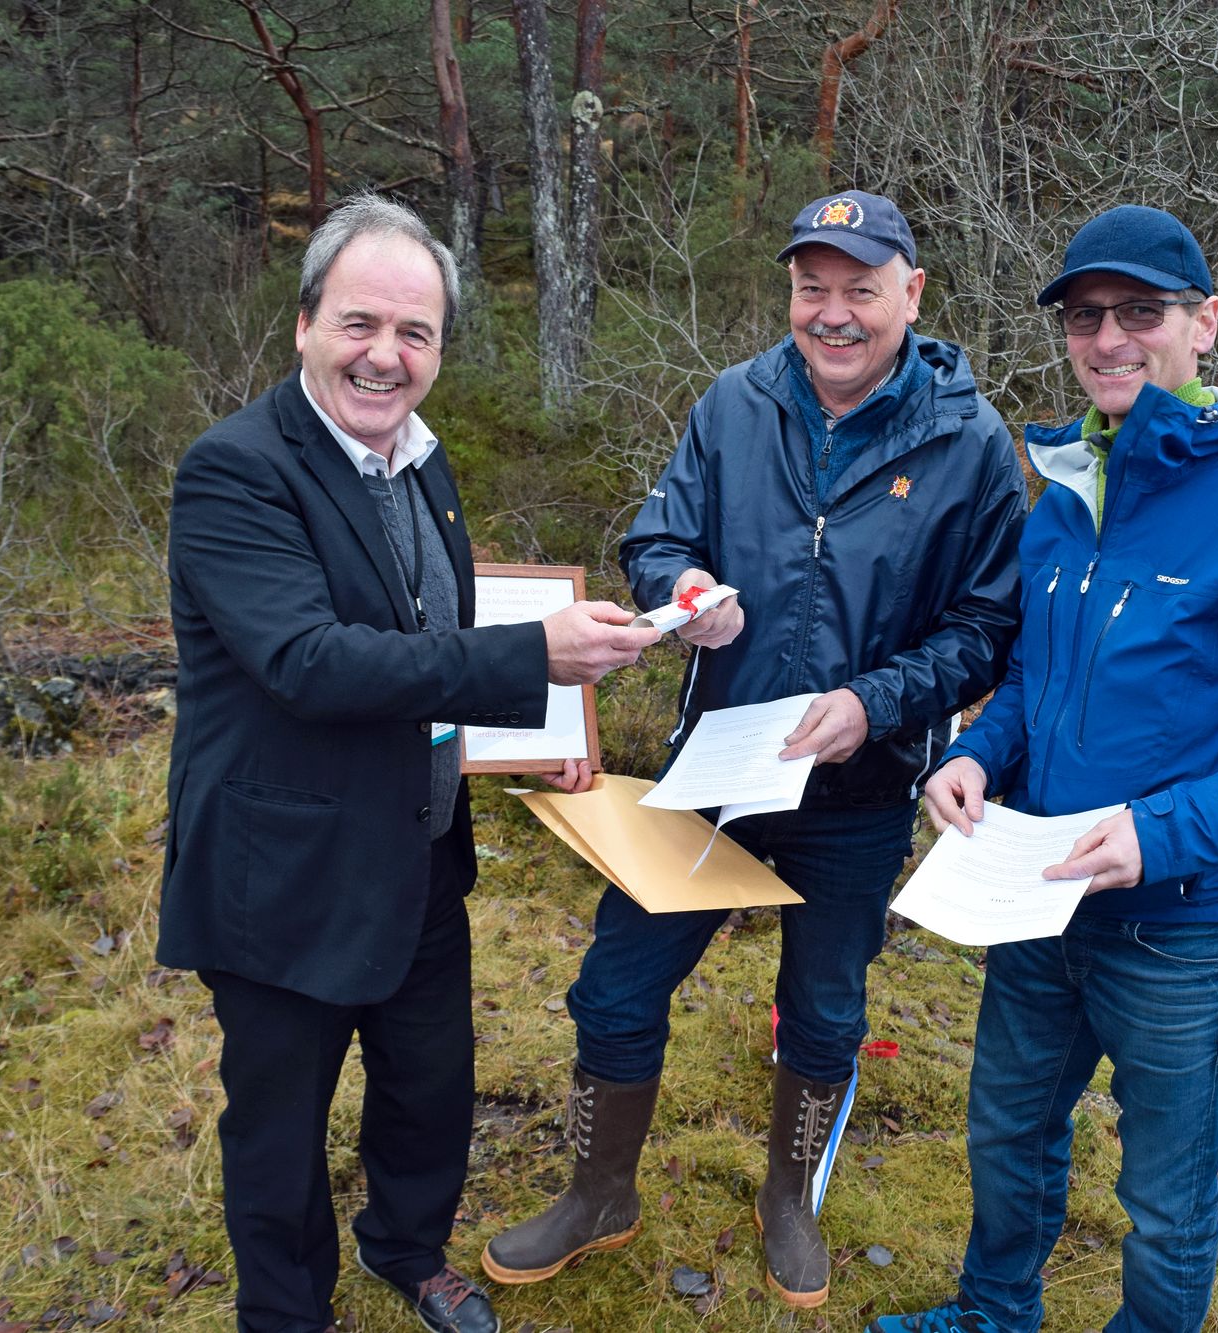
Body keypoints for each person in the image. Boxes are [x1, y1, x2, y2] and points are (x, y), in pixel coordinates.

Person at [480, 190, 1028, 1310]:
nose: (830, 314)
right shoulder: (735, 403)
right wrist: (679, 590)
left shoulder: (969, 444)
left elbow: (984, 630)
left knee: (825, 1010)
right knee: (615, 986)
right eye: (809, 287)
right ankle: (598, 1193)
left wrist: (873, 702)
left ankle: (789, 1198)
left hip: (859, 788)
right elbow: (658, 531)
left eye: (858, 289)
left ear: (910, 294)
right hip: (713, 770)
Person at [867, 205, 1218, 1333]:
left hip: (1189, 929)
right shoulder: (1066, 494)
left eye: (1139, 313)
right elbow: (1029, 677)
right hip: (1033, 894)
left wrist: (1162, 832)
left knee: (1162, 1196)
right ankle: (991, 1312)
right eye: (1084, 317)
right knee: (1006, 1130)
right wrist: (972, 755)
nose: (1108, 338)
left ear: (1203, 324)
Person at [157, 193, 660, 1333]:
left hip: (422, 844)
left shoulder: (423, 465)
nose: (385, 355)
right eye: (360, 323)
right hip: (283, 866)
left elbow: (430, 639)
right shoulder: (234, 471)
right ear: (303, 325)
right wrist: (533, 655)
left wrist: (539, 741)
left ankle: (408, 1248)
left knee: (429, 1082)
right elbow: (310, 662)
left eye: (415, 333)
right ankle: (286, 1311)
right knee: (279, 1119)